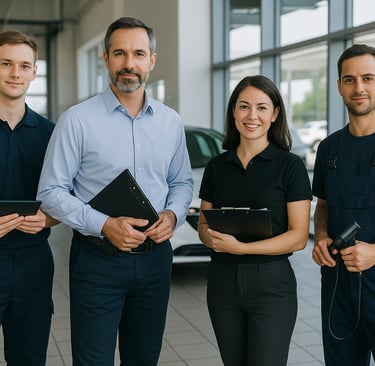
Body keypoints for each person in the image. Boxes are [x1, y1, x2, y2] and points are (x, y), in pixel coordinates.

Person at [37, 16, 193, 366]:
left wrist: (173, 214)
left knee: (144, 358)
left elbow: (182, 182)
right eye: (119, 53)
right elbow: (51, 191)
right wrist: (104, 224)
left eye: (138, 54)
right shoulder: (76, 120)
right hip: (97, 261)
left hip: (155, 261)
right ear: (105, 59)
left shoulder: (170, 122)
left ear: (152, 60)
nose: (129, 64)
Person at [198, 75, 312, 366]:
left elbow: (299, 237)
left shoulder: (290, 166)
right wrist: (210, 237)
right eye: (244, 106)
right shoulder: (216, 167)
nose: (252, 116)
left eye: (262, 108)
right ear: (233, 112)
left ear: (274, 114)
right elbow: (203, 225)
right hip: (222, 284)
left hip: (271, 285)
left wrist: (243, 249)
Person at [312, 44, 375, 366]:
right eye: (349, 80)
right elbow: (322, 206)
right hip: (338, 287)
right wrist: (321, 235)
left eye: (368, 78)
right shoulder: (329, 149)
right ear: (338, 86)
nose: (359, 87)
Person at [0, 30, 56, 365]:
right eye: (5, 63)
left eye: (24, 65)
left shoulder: (52, 134)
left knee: (29, 359)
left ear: (35, 71)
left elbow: (68, 197)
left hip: (33, 262)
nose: (15, 73)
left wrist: (49, 218)